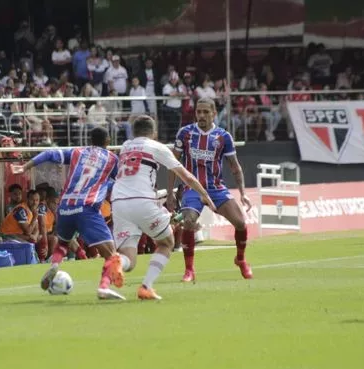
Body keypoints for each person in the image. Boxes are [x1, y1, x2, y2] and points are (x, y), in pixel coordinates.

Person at [13, 127, 126, 300]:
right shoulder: (112, 159)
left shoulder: (77, 152)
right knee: (112, 255)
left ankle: (55, 264)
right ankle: (103, 287)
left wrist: (25, 167)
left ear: (90, 140)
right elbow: (121, 182)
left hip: (64, 207)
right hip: (87, 208)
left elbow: (50, 153)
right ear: (108, 142)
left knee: (63, 243)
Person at [112, 116, 215, 300]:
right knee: (166, 242)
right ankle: (146, 287)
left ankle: (118, 263)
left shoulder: (125, 146)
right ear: (154, 134)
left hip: (118, 202)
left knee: (129, 259)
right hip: (141, 200)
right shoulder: (156, 147)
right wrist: (204, 194)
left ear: (133, 132)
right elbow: (186, 176)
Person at [167, 98, 253, 282]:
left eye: (206, 112)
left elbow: (235, 167)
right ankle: (189, 270)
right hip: (192, 189)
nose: (202, 115)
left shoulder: (223, 137)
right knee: (188, 222)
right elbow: (172, 164)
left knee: (240, 223)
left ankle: (240, 259)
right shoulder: (185, 133)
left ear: (214, 113)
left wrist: (243, 194)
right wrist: (170, 194)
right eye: (199, 111)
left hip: (216, 189)